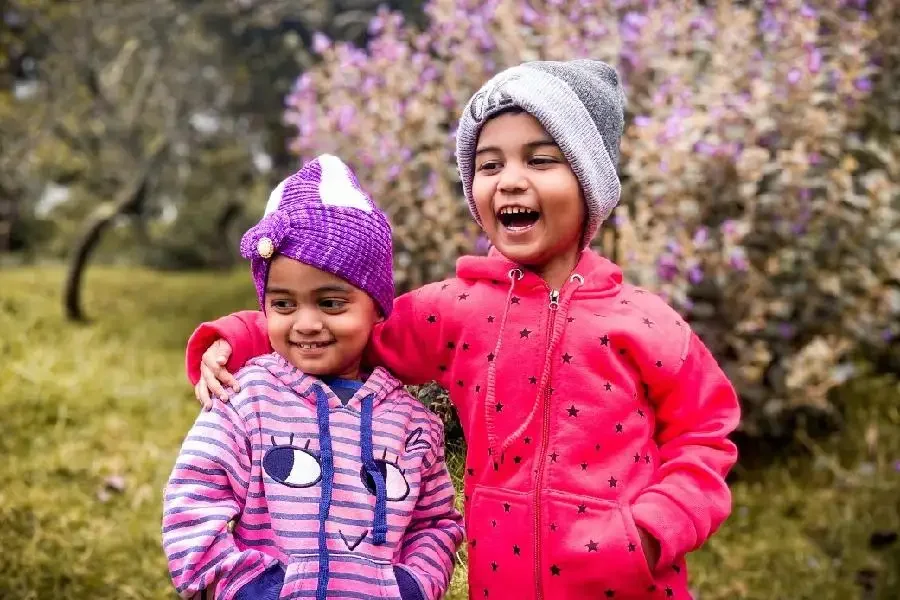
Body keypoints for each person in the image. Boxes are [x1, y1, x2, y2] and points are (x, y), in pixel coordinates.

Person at [186, 60, 741, 599]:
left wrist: (653, 529)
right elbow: (349, 326)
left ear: (589, 182)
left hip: (631, 584)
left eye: (540, 160)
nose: (510, 181)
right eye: (489, 165)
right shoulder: (456, 309)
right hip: (503, 582)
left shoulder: (645, 320)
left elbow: (706, 431)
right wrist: (238, 336)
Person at [162, 154, 463, 600]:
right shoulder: (246, 400)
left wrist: (413, 586)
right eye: (283, 304)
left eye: (330, 303)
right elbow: (192, 499)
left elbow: (435, 524)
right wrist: (245, 587)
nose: (305, 324)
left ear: (377, 307)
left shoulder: (413, 424)